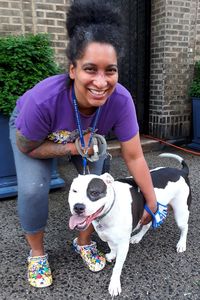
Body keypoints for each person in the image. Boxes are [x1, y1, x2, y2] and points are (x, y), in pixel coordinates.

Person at [9, 0, 167, 289]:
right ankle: (37, 252)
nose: (101, 81)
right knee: (33, 188)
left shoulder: (121, 100)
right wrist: (71, 148)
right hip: (34, 137)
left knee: (98, 174)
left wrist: (153, 203)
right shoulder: (43, 100)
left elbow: (134, 156)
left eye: (111, 71)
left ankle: (82, 239)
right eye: (90, 69)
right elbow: (26, 148)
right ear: (72, 69)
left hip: (84, 138)